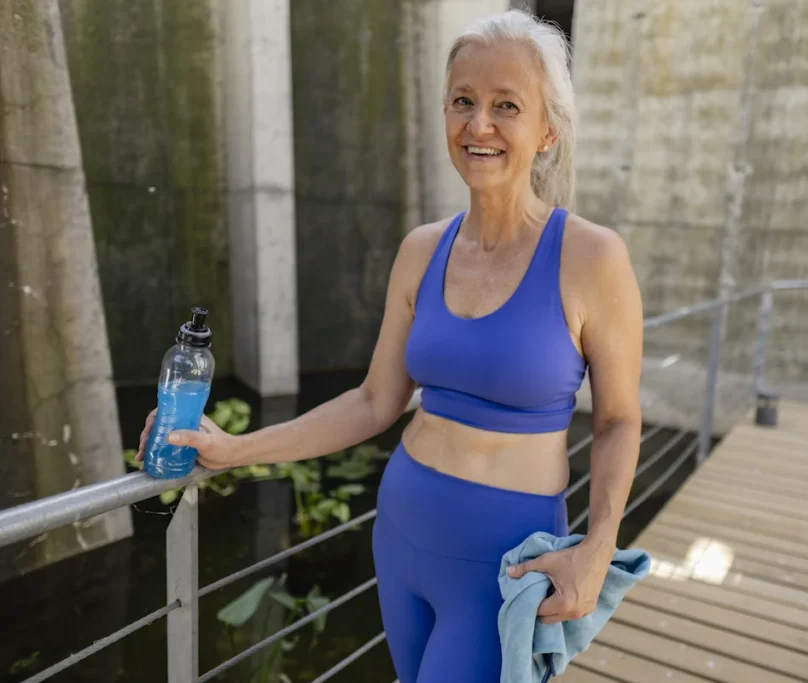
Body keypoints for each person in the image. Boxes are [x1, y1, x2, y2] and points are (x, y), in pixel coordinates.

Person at [136, 9, 643, 682]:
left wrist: (597, 549)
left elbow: (617, 420)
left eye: (506, 105)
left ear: (547, 129)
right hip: (402, 535)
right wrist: (232, 450)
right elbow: (374, 401)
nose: (478, 124)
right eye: (463, 101)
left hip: (502, 561)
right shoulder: (420, 251)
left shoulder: (592, 258)